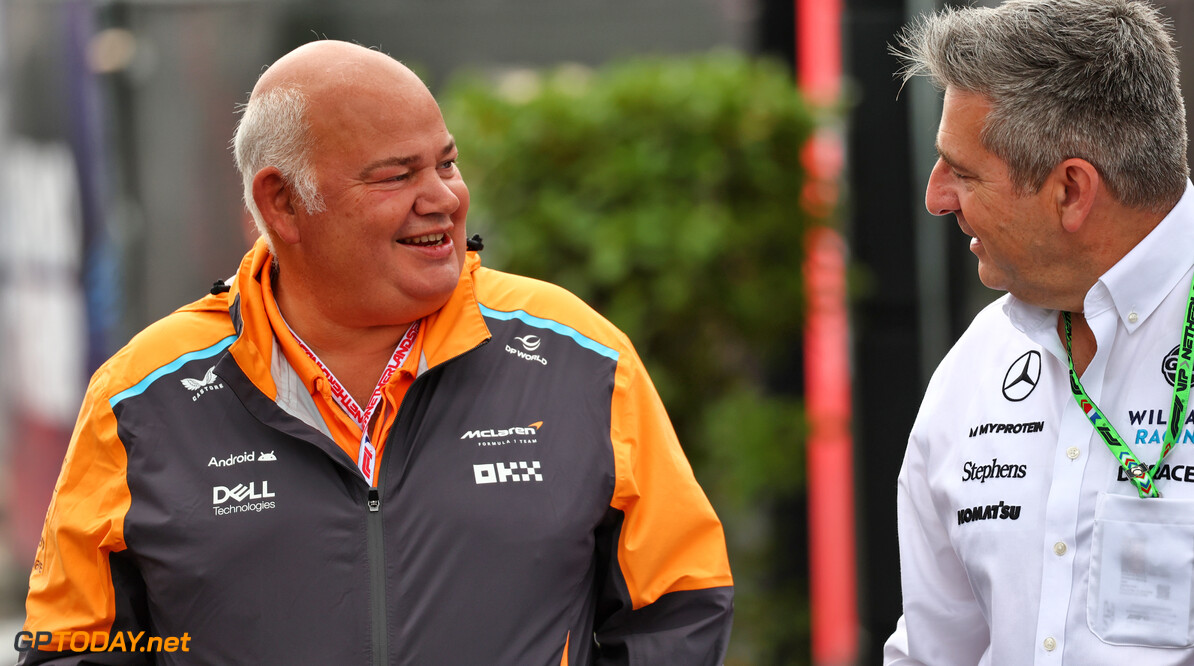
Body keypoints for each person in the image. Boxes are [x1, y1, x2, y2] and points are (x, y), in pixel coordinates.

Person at [18, 40, 733, 665]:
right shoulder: (142, 396)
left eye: (447, 164)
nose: (443, 199)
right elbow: (75, 646)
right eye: (396, 175)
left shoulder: (579, 354)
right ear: (283, 206)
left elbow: (679, 601)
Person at [883, 1, 1194, 664]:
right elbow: (934, 650)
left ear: (1072, 191)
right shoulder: (973, 369)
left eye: (962, 172)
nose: (937, 198)